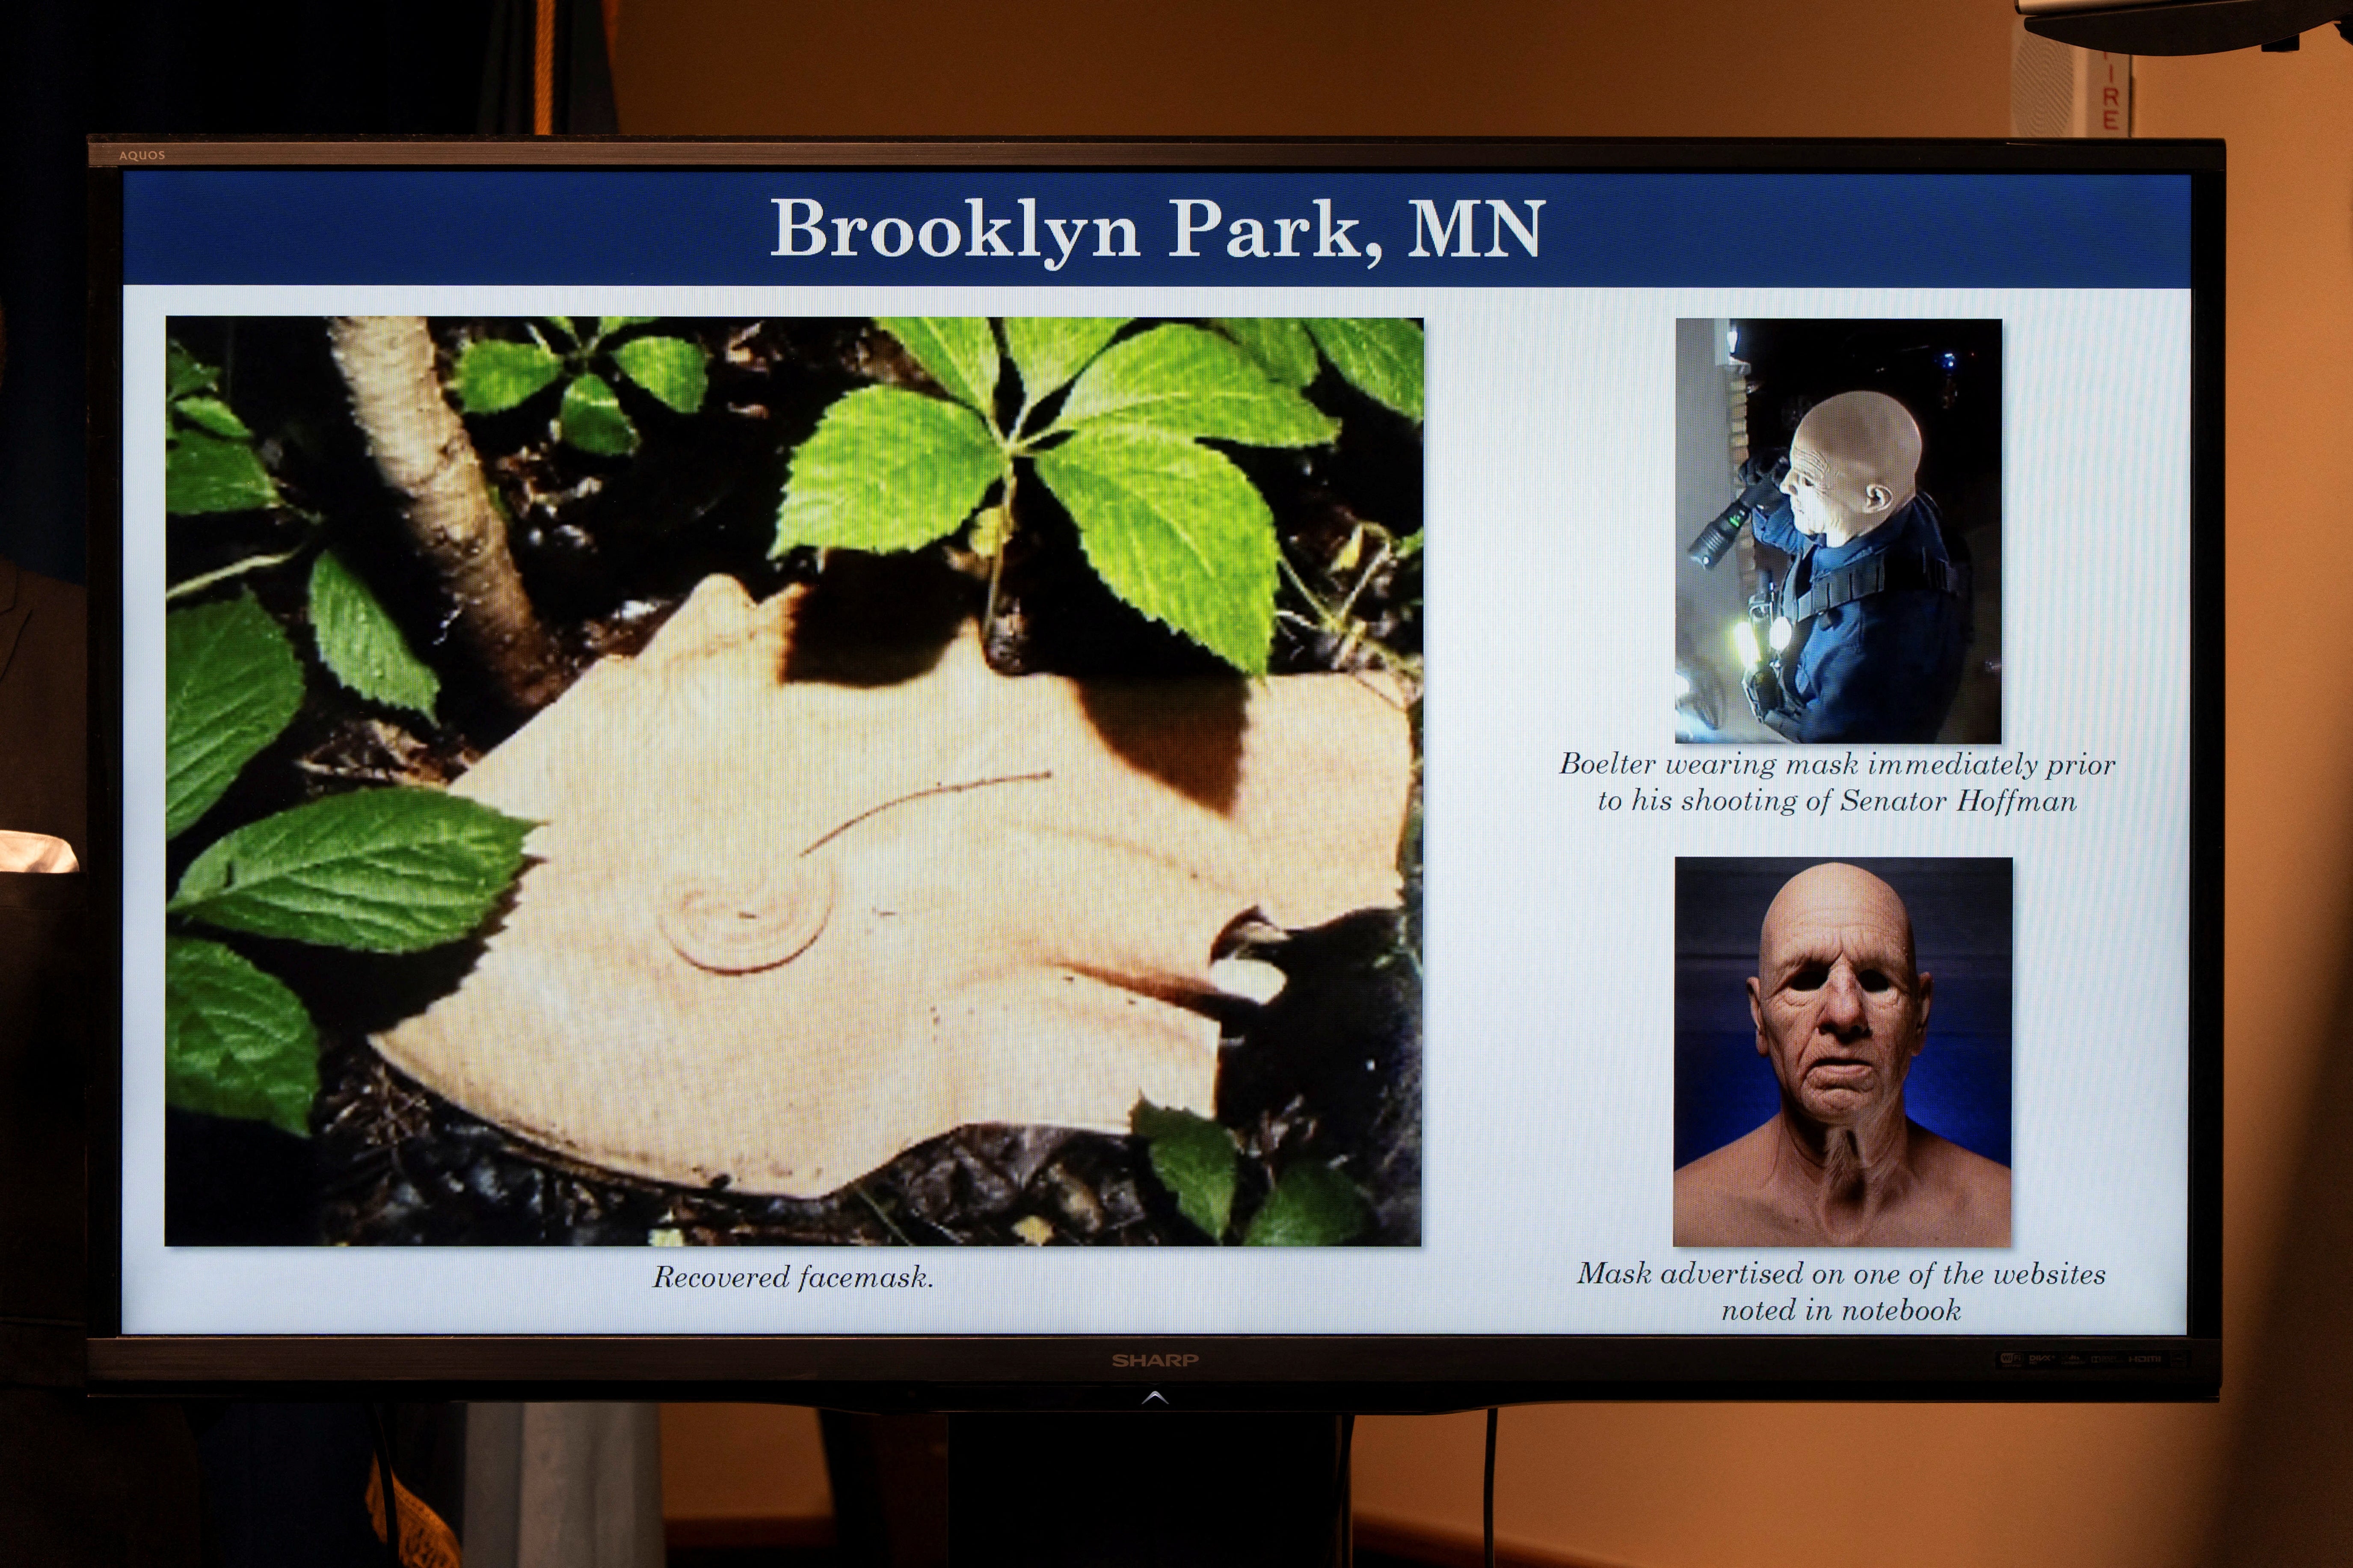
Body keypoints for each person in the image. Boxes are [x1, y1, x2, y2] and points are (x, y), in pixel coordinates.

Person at [1674, 862, 2009, 1247]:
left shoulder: (2006, 1219)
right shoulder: (1681, 1219)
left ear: (1920, 1016)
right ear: (1760, 1017)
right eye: (1805, 981)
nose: (1846, 1013)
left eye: (1876, 981)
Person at [1743, 390, 1970, 743]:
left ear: (1875, 498)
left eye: (1807, 479)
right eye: (1792, 468)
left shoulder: (1868, 651)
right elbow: (1810, 538)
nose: (1787, 485)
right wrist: (1769, 505)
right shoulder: (1886, 516)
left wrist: (1774, 711)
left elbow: (1834, 750)